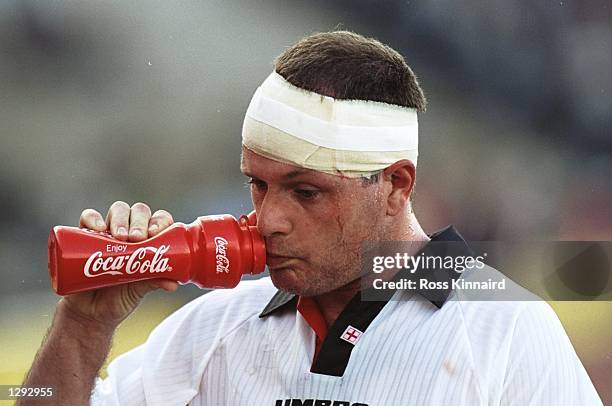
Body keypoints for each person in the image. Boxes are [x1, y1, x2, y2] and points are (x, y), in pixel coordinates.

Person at [20, 31, 602, 406]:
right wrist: (83, 324)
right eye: (258, 184)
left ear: (396, 184)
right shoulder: (215, 326)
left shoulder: (503, 328)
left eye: (305, 192)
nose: (269, 218)